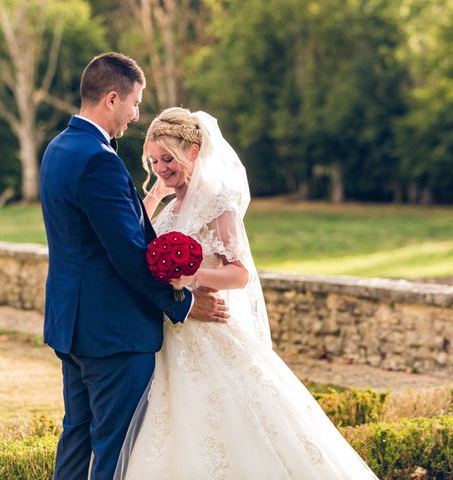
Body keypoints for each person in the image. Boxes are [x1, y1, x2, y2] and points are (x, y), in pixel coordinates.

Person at [114, 107, 380, 479]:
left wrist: (189, 275)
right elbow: (137, 238)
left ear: (193, 152)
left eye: (168, 159)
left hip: (209, 330)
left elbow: (238, 274)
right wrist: (156, 197)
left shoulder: (220, 202)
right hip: (172, 332)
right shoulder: (169, 205)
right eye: (154, 161)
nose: (159, 168)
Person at [39, 54, 229, 480]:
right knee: (116, 447)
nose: (136, 114)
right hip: (113, 332)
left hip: (72, 323)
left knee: (78, 435)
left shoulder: (58, 149)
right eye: (135, 102)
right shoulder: (98, 159)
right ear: (112, 98)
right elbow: (126, 252)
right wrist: (181, 304)